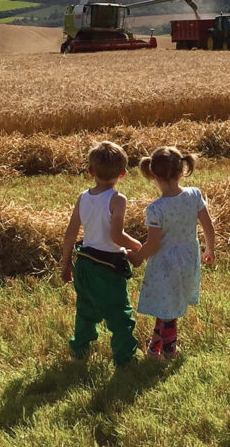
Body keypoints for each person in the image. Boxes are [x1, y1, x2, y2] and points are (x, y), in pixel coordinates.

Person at [126, 146, 216, 360]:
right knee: (167, 309)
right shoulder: (194, 195)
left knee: (168, 313)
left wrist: (138, 256)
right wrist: (210, 248)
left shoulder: (156, 209)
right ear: (182, 170)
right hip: (188, 260)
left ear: (153, 175)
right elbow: (208, 226)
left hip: (166, 266)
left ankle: (169, 353)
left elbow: (154, 244)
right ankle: (152, 351)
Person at [60, 140, 144, 366]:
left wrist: (66, 263)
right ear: (123, 174)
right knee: (119, 314)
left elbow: (70, 234)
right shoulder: (117, 199)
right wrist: (136, 244)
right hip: (107, 267)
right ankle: (125, 359)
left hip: (84, 263)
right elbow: (116, 236)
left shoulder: (83, 197)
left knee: (85, 311)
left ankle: (80, 351)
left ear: (90, 171)